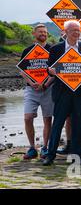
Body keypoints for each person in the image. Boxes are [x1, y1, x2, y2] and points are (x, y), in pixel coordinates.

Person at [43, 20, 81, 166]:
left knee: (79, 124)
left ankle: (78, 155)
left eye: (78, 30)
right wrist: (50, 71)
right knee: (57, 124)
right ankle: (50, 155)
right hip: (62, 93)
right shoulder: (56, 49)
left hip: (80, 93)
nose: (76, 33)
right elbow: (49, 68)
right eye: (73, 30)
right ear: (65, 32)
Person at [20, 24, 54, 160]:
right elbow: (22, 70)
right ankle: (32, 148)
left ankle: (45, 148)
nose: (43, 34)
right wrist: (31, 82)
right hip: (31, 89)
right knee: (28, 117)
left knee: (47, 119)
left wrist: (45, 84)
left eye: (45, 32)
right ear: (34, 34)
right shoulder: (27, 50)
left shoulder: (53, 49)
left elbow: (56, 71)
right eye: (40, 32)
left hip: (48, 89)